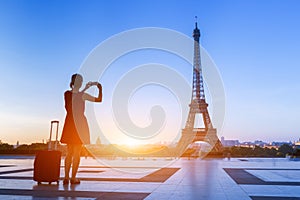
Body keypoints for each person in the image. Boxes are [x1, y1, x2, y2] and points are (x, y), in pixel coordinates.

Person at [60, 73, 102, 185]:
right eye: (79, 81)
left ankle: (68, 177)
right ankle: (70, 177)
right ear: (73, 82)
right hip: (74, 123)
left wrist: (99, 88)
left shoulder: (75, 94)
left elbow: (99, 100)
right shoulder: (68, 94)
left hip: (74, 123)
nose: (80, 83)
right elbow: (71, 104)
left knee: (72, 152)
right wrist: (86, 89)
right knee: (73, 152)